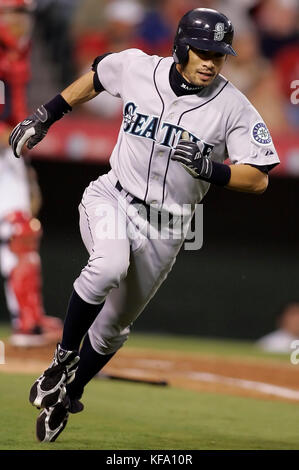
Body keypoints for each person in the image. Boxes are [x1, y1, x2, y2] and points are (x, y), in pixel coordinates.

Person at [9, 8, 280, 442]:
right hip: (113, 197)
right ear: (180, 47)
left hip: (167, 226)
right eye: (202, 51)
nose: (210, 61)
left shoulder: (232, 106)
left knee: (113, 329)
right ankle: (63, 359)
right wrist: (45, 114)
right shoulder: (139, 68)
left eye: (219, 54)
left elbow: (260, 177)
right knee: (108, 266)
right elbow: (98, 74)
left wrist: (215, 171)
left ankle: (69, 394)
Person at [0, 0, 63, 346]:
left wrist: (23, 168)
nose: (20, 22)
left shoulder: (17, 53)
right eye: (12, 13)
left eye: (24, 14)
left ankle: (28, 321)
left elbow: (13, 119)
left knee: (20, 232)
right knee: (18, 230)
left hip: (5, 156)